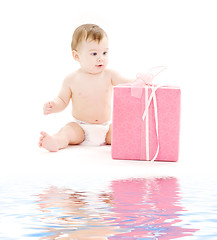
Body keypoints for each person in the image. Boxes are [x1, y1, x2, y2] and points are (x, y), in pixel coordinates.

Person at [39, 24, 134, 152]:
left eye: (105, 52)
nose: (101, 58)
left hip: (106, 128)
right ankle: (56, 141)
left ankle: (135, 143)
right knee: (67, 131)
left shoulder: (110, 75)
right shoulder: (71, 79)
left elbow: (127, 83)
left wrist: (140, 81)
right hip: (81, 127)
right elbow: (62, 100)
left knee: (122, 133)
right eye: (94, 53)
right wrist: (53, 106)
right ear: (77, 56)